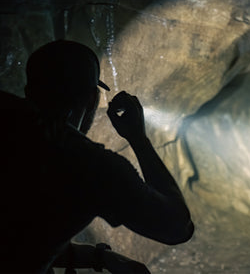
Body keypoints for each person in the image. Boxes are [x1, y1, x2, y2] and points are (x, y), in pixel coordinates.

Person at [0, 40, 194, 273]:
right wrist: (139, 140)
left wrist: (99, 257)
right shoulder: (89, 164)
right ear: (93, 99)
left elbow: (19, 240)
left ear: (28, 90)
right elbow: (177, 227)